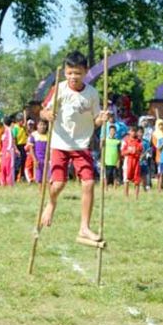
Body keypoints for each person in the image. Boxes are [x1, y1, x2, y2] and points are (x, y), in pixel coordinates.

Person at [39, 51, 109, 242]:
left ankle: (84, 227)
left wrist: (101, 119)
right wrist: (47, 115)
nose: (73, 77)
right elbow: (43, 111)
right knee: (59, 184)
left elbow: (95, 120)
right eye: (69, 73)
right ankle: (51, 203)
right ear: (65, 73)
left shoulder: (92, 94)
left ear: (85, 72)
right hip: (60, 143)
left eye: (77, 73)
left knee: (88, 183)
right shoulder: (59, 89)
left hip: (81, 145)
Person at [122, 127, 143, 198]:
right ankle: (126, 195)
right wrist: (129, 151)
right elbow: (122, 152)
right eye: (132, 131)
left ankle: (136, 196)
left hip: (136, 161)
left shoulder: (139, 141)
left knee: (137, 178)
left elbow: (140, 151)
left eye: (134, 131)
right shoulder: (126, 141)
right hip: (128, 160)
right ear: (129, 132)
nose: (133, 133)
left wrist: (136, 151)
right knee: (126, 179)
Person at [0, 116, 15, 186]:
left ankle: (10, 183)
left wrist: (8, 150)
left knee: (8, 167)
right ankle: (3, 182)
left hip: (8, 152)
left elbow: (11, 141)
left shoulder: (9, 130)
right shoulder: (4, 131)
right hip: (4, 151)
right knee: (3, 167)